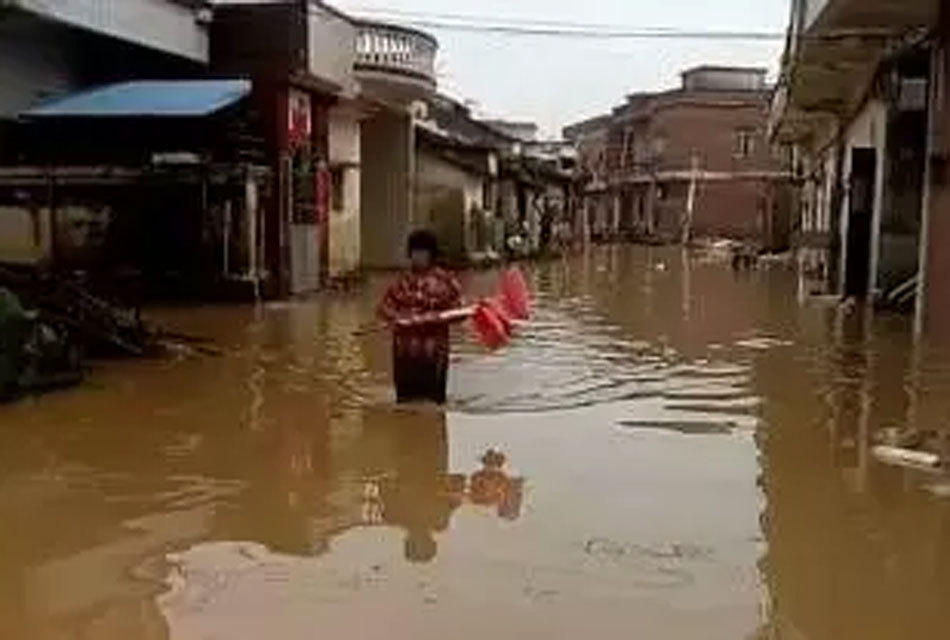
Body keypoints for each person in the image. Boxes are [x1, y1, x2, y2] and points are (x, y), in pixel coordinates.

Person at [378, 230, 462, 404]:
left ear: (431, 254)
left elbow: (459, 311)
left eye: (423, 252)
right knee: (405, 402)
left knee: (434, 401)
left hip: (433, 353)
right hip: (404, 353)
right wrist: (397, 317)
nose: (419, 257)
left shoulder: (446, 281)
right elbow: (383, 308)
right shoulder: (401, 282)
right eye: (415, 252)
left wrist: (436, 317)